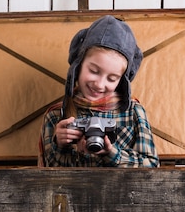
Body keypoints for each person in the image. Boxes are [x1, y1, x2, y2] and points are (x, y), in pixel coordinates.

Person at [39, 15, 159, 167]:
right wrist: (60, 145)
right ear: (79, 65)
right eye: (94, 71)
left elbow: (152, 166)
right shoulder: (56, 115)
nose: (100, 85)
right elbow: (48, 173)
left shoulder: (133, 112)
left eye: (112, 78)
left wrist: (111, 152)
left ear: (122, 81)